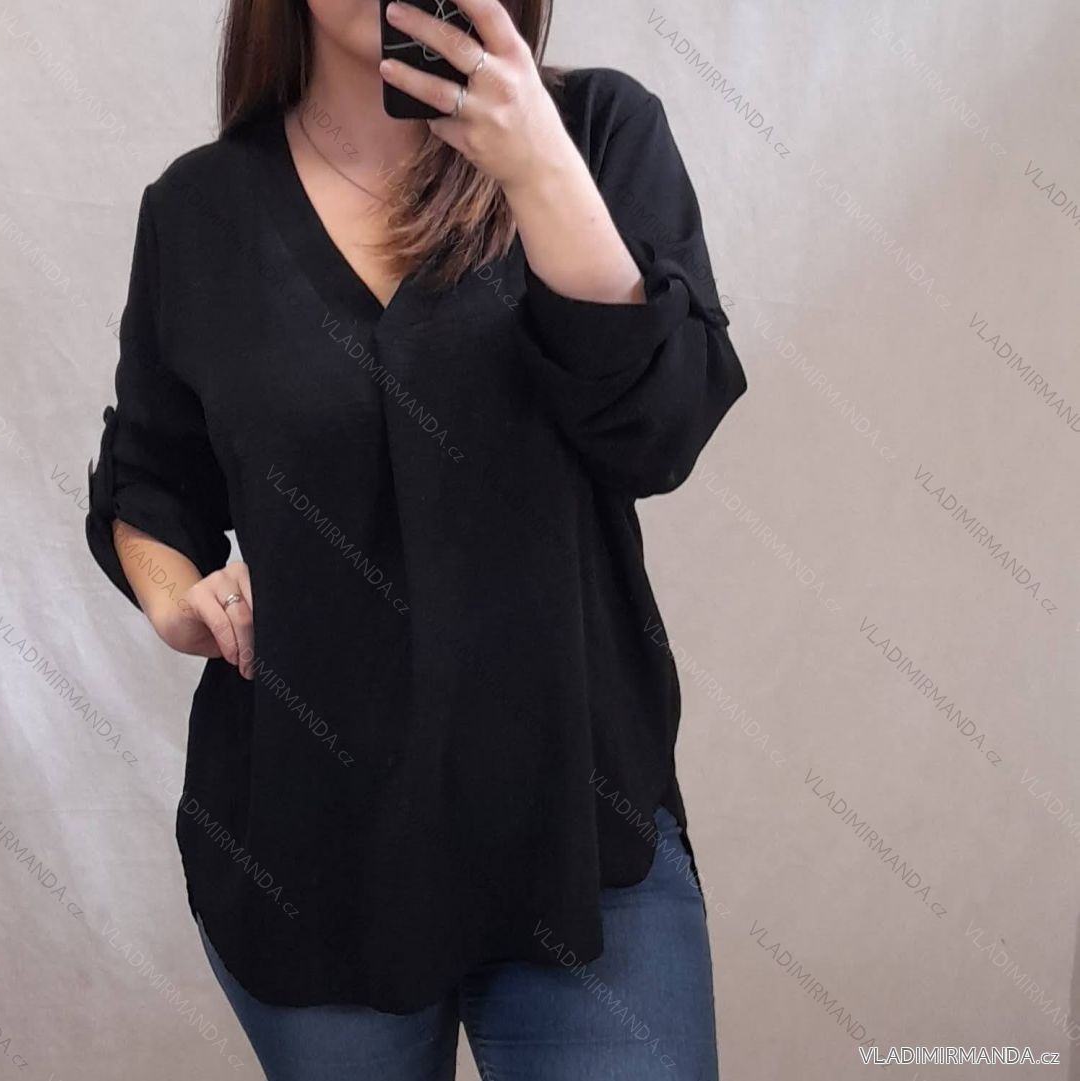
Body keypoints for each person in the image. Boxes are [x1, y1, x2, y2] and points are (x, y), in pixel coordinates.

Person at [83, 0, 747, 1077]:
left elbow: (659, 431)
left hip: (578, 835)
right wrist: (175, 596)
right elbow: (151, 472)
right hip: (313, 853)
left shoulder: (596, 135)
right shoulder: (199, 212)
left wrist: (537, 167)